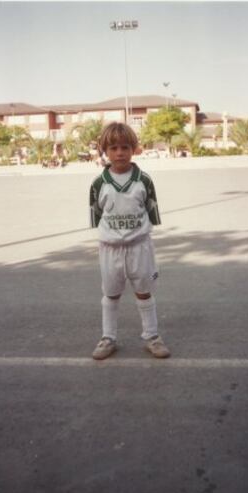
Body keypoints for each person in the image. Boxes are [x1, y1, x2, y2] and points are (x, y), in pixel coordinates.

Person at [89, 122, 170, 360]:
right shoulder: (98, 184)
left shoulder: (144, 181)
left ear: (134, 149)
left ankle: (152, 336)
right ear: (105, 150)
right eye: (113, 148)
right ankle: (108, 338)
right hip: (110, 249)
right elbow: (97, 216)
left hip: (139, 246)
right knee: (111, 294)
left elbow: (151, 212)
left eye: (125, 147)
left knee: (144, 292)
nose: (120, 152)